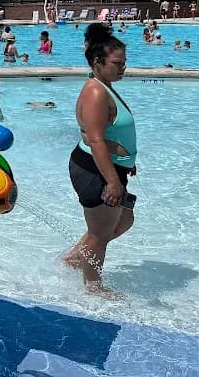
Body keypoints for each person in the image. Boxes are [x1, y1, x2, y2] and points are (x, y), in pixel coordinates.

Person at [63, 23, 136, 295]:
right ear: (98, 62)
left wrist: (128, 161)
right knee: (100, 233)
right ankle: (93, 287)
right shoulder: (95, 92)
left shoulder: (105, 86)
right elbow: (95, 140)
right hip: (97, 170)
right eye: (117, 63)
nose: (123, 68)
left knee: (124, 219)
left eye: (124, 63)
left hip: (111, 168)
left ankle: (74, 259)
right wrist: (112, 182)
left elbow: (109, 134)